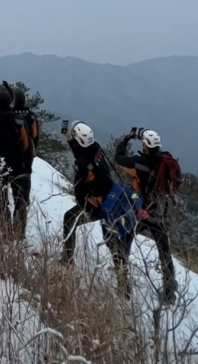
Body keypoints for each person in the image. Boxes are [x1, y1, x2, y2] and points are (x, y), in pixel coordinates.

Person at [62, 121, 133, 297]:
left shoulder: (82, 162)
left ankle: (68, 259)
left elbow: (79, 189)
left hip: (96, 203)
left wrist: (84, 203)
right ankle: (124, 285)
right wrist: (69, 136)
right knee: (112, 241)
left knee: (69, 219)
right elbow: (80, 147)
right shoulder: (95, 147)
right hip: (110, 195)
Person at [115, 129, 178, 304]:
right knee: (164, 251)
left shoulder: (141, 162)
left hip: (143, 211)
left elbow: (119, 158)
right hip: (161, 213)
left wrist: (125, 140)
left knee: (123, 241)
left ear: (145, 145)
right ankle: (169, 291)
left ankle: (123, 282)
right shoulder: (167, 160)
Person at [0, 90, 34, 237]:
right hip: (17, 165)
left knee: (1, 201)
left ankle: (5, 231)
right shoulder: (19, 120)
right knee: (20, 199)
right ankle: (19, 233)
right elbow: (26, 144)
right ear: (10, 102)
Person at [13, 90, 40, 156]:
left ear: (15, 101)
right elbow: (34, 134)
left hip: (12, 145)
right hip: (28, 148)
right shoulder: (31, 115)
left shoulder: (10, 114)